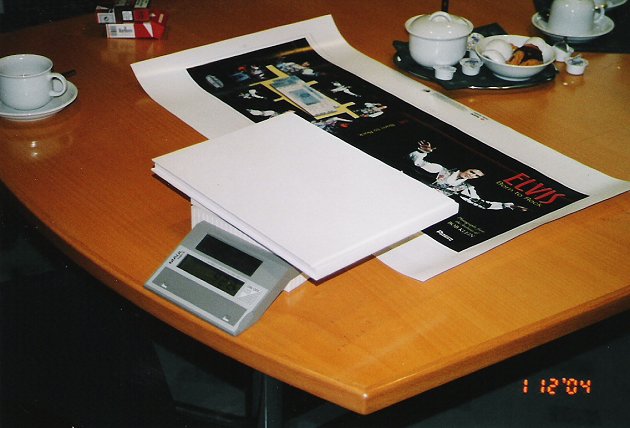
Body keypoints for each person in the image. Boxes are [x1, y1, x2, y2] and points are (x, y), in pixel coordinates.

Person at [409, 140, 527, 211]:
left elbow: (481, 203)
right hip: (413, 192)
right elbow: (418, 163)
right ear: (467, 168)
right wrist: (422, 152)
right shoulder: (442, 170)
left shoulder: (466, 188)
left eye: (476, 176)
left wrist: (508, 206)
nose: (472, 175)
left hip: (428, 204)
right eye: (472, 171)